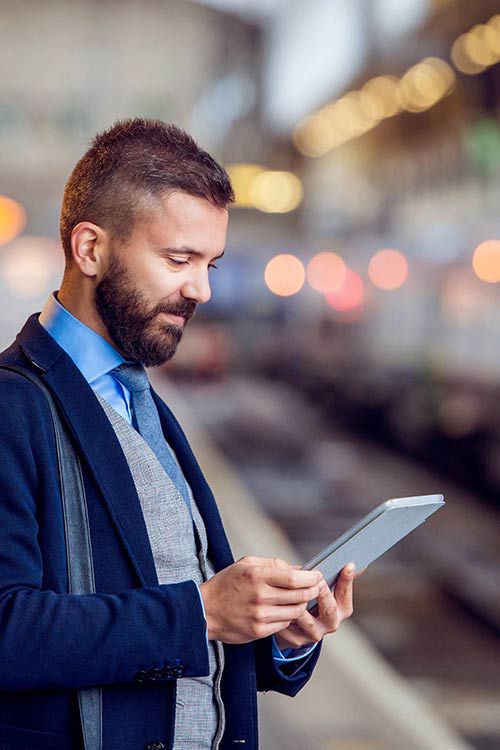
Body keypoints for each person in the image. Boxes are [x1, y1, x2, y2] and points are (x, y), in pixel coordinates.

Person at [0, 118, 357, 750]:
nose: (202, 289)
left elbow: (186, 603)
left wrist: (278, 635)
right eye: (178, 259)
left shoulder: (141, 399)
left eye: (211, 262)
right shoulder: (11, 404)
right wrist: (202, 612)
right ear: (90, 249)